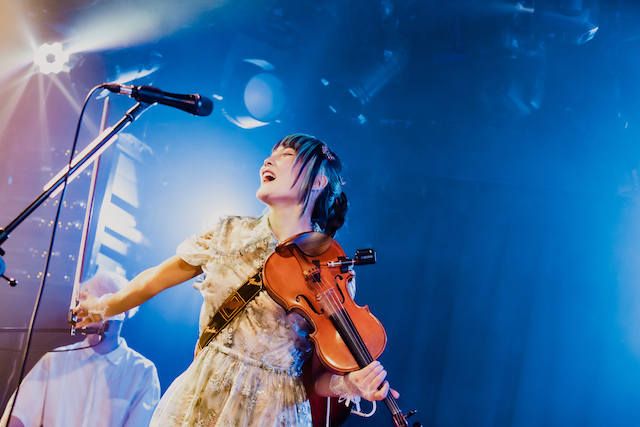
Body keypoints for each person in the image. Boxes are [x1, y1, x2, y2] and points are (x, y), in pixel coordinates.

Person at [73, 134, 399, 426]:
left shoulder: (331, 270)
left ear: (317, 183)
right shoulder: (228, 233)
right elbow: (153, 281)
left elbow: (315, 380)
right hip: (202, 398)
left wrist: (352, 384)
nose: (268, 160)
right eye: (270, 154)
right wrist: (103, 306)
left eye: (286, 155)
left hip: (273, 413)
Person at [1, 271, 161, 427]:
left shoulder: (143, 371)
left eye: (104, 307)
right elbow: (19, 415)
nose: (92, 316)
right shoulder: (55, 360)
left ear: (124, 312)